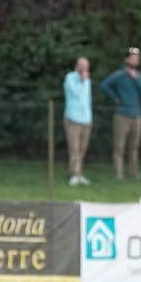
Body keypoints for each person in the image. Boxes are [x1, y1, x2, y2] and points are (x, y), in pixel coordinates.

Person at [99, 47, 141, 181]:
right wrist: (115, 97)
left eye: (136, 58)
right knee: (119, 146)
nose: (135, 60)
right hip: (122, 115)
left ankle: (133, 172)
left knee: (134, 147)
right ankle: (118, 172)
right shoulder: (119, 75)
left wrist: (136, 79)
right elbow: (104, 85)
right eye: (132, 57)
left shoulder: (139, 76)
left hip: (136, 115)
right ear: (126, 60)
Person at [63, 57, 93, 186]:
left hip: (86, 119)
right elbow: (77, 94)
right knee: (74, 148)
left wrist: (90, 116)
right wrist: (82, 80)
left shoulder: (87, 81)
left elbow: (87, 100)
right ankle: (74, 174)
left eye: (86, 66)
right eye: (82, 65)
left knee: (82, 148)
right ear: (76, 66)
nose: (84, 68)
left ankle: (79, 173)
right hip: (73, 119)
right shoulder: (70, 78)